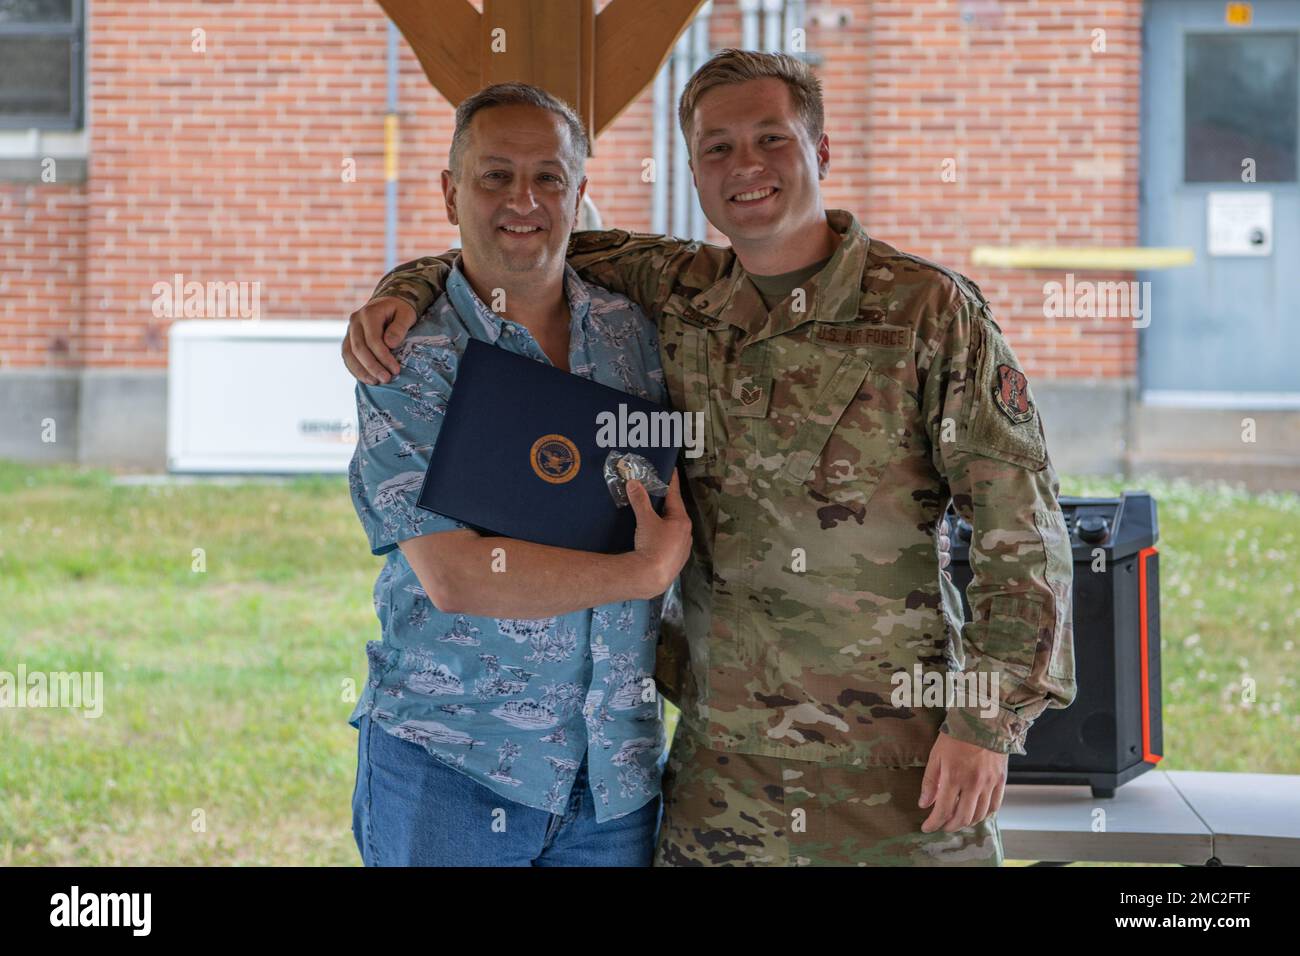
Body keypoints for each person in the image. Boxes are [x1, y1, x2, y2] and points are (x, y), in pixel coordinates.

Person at [343, 50, 1076, 866]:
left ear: (821, 152)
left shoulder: (926, 312)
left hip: (900, 766)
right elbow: (514, 249)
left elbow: (1024, 535)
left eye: (772, 139)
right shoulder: (673, 292)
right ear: (693, 167)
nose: (747, 167)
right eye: (718, 147)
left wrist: (986, 721)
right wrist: (404, 290)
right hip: (721, 774)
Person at [346, 82, 692, 867]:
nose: (523, 199)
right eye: (495, 175)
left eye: (549, 177)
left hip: (616, 779)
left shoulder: (635, 333)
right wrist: (642, 574)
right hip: (452, 764)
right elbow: (457, 575)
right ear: (449, 192)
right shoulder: (407, 356)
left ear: (580, 191)